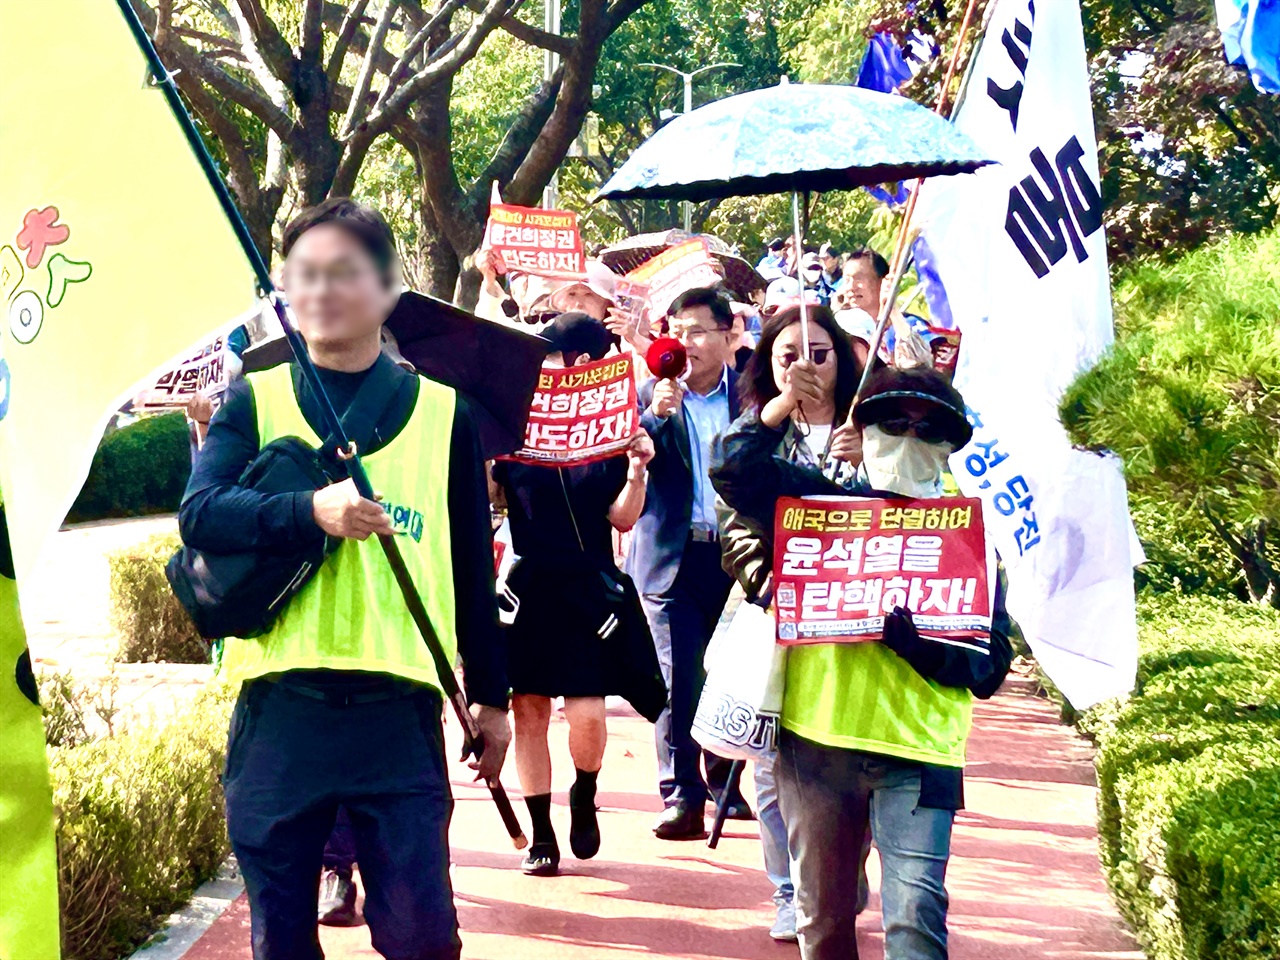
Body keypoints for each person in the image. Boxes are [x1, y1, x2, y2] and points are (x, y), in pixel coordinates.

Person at [179, 198, 510, 960]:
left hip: (397, 716)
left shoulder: (444, 414)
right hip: (279, 713)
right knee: (283, 942)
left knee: (424, 938)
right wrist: (306, 510)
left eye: (345, 273)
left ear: (390, 287)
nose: (322, 290)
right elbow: (200, 515)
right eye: (305, 274)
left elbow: (469, 564)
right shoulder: (252, 398)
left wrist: (492, 699)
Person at [712, 364, 1015, 960]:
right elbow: (732, 469)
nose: (909, 439)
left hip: (921, 752)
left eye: (929, 431)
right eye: (892, 423)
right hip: (817, 746)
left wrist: (922, 646)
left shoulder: (972, 538)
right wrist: (779, 406)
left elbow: (990, 667)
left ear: (952, 447)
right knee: (822, 923)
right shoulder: (819, 507)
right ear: (864, 430)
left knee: (915, 918)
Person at [490, 312, 660, 878]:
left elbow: (623, 519)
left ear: (583, 364)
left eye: (553, 356)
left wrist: (636, 469)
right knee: (529, 708)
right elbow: (490, 498)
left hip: (589, 585)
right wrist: (485, 455)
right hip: (529, 585)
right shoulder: (513, 422)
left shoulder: (612, 428)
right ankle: (541, 831)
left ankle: (584, 790)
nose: (543, 367)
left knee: (586, 710)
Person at [714, 305, 863, 943]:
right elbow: (734, 514)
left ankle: (834, 876)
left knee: (851, 770)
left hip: (857, 626)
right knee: (773, 770)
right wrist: (768, 587)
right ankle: (792, 888)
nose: (806, 365)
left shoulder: (874, 423)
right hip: (778, 621)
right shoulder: (756, 433)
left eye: (821, 353)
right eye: (787, 355)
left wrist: (879, 453)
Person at [628, 285, 752, 840]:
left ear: (728, 335)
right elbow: (623, 455)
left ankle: (725, 773)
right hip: (670, 557)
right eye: (675, 331)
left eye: (698, 330)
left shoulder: (752, 395)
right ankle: (681, 795)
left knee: (733, 672)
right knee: (678, 676)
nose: (686, 342)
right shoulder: (647, 397)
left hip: (739, 559)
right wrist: (653, 419)